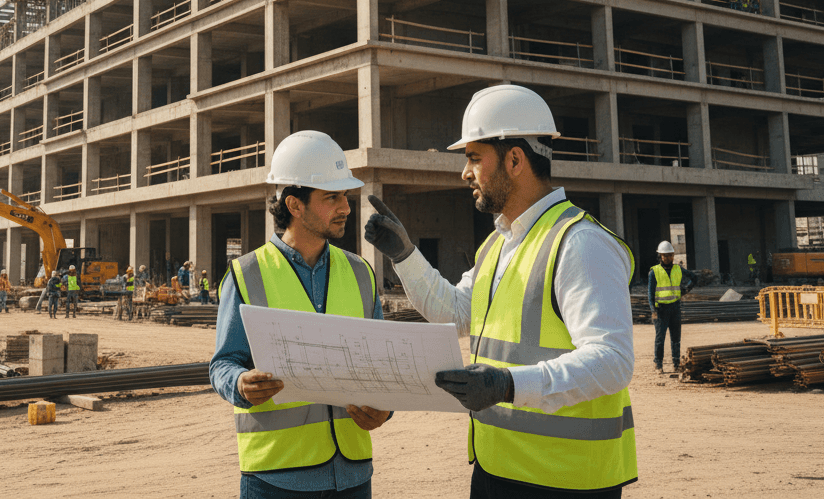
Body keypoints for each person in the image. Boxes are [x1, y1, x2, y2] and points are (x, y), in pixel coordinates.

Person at [363, 84, 637, 497]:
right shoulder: (499, 243)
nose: (464, 172)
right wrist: (405, 255)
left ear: (514, 159)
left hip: (564, 480)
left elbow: (613, 361)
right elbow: (456, 312)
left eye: (473, 158)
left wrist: (508, 385)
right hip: (498, 469)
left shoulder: (579, 243)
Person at [210, 130, 390, 498]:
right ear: (294, 205)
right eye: (332, 197)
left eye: (346, 196)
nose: (346, 207)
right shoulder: (247, 275)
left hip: (353, 475)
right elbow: (223, 363)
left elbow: (383, 367)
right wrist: (241, 384)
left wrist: (385, 410)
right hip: (277, 478)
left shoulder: (360, 273)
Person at [648, 241, 694, 375]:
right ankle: (658, 364)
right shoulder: (654, 272)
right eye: (664, 255)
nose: (667, 258)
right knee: (660, 339)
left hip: (675, 308)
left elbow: (694, 277)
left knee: (676, 338)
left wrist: (686, 289)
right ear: (660, 256)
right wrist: (653, 311)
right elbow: (650, 294)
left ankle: (676, 364)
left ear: (673, 255)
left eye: (670, 255)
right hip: (661, 310)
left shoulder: (678, 269)